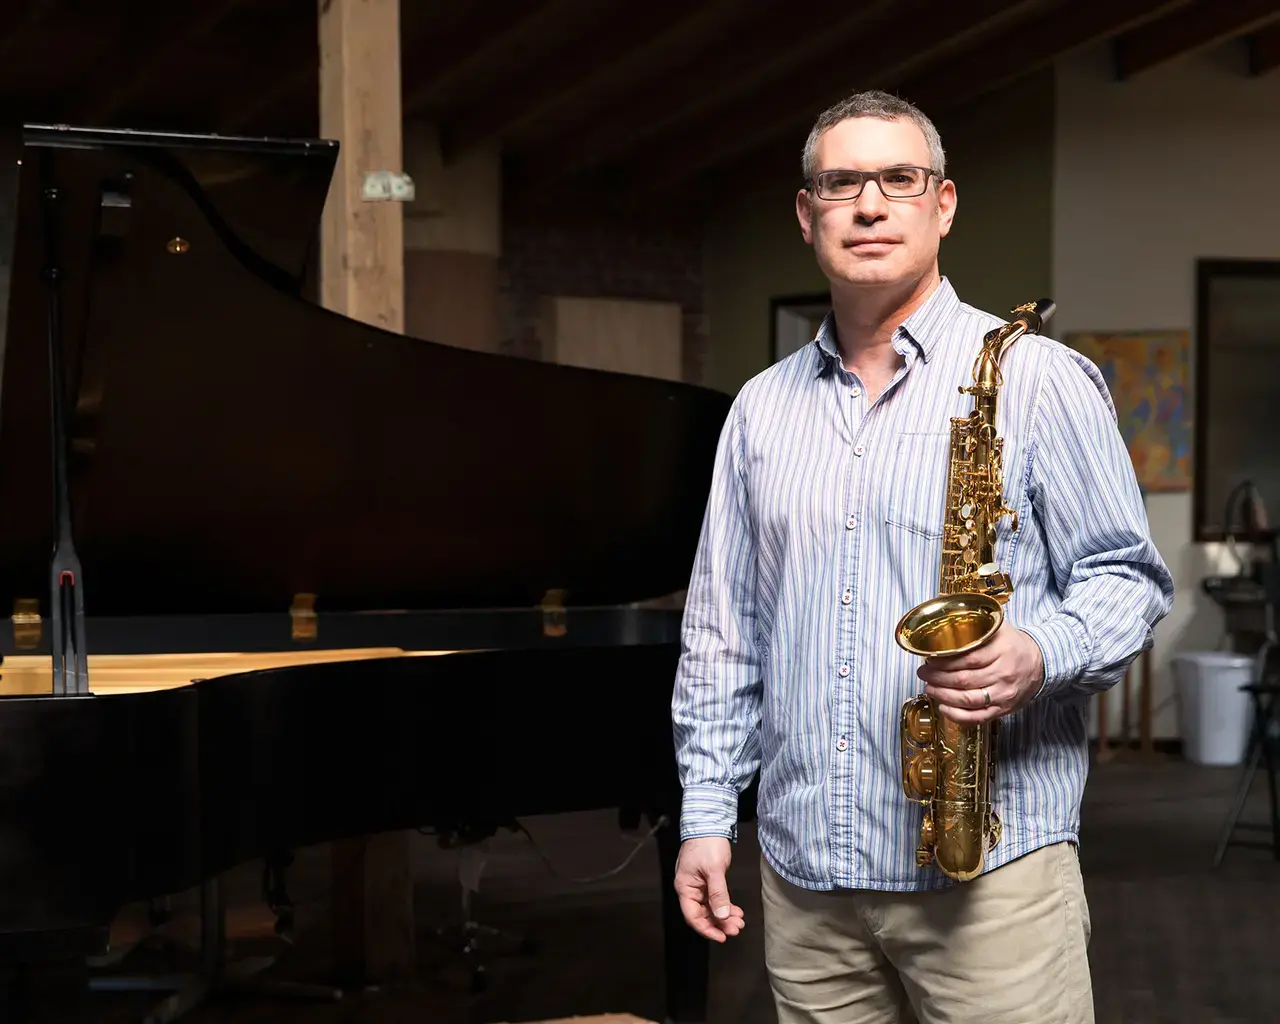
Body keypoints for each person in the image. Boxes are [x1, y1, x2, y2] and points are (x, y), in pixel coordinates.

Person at [668, 89, 1174, 1024]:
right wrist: (706, 812)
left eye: (898, 179)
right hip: (806, 878)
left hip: (995, 881)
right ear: (806, 212)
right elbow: (723, 632)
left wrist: (1039, 653)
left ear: (942, 205)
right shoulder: (759, 410)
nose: (869, 205)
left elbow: (1126, 580)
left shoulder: (1038, 379)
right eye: (840, 182)